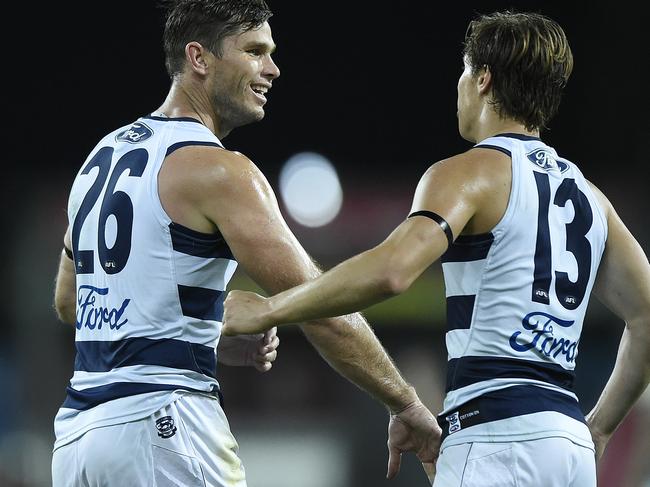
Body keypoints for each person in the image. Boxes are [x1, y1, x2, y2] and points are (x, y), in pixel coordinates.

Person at [222, 10, 650, 487]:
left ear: (483, 78)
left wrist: (271, 308)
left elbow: (394, 271)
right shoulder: (591, 198)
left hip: (494, 438)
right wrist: (601, 425)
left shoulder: (470, 173)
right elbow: (647, 314)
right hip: (567, 445)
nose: (461, 86)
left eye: (465, 71)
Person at [51, 1, 440, 486]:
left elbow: (70, 304)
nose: (272, 69)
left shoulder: (99, 159)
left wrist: (201, 334)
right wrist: (404, 401)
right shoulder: (221, 170)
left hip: (77, 438)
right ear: (199, 57)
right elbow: (320, 308)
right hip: (164, 427)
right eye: (255, 51)